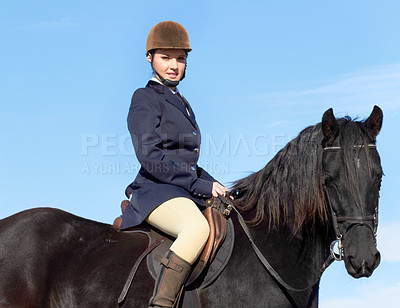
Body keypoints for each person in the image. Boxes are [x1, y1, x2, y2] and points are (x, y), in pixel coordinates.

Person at [119, 21, 230, 307]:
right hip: (155, 191)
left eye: (180, 58)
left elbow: (187, 162)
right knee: (196, 228)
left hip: (179, 189)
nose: (173, 65)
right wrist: (199, 185)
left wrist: (214, 184)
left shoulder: (182, 102)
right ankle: (162, 304)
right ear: (150, 58)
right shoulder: (144, 98)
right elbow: (150, 157)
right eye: (165, 57)